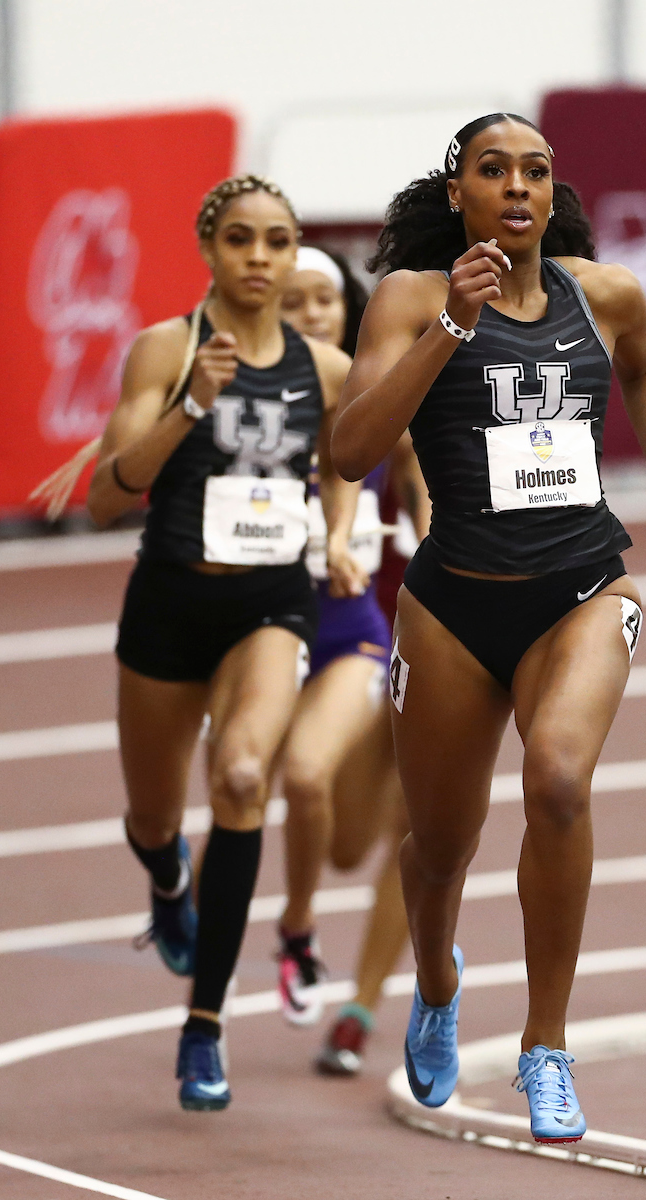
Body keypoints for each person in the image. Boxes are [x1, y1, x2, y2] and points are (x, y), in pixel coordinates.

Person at [331, 113, 646, 1142]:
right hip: (452, 607)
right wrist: (449, 328)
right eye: (491, 170)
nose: (514, 187)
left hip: (580, 588)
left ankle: (546, 1046)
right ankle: (438, 979)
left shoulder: (606, 293)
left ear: (551, 193)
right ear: (457, 192)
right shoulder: (411, 299)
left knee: (554, 780)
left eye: (533, 172)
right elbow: (348, 443)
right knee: (438, 849)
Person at [86, 174, 365, 1112]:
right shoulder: (166, 350)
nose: (259, 258)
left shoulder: (323, 369)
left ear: (294, 256)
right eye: (241, 239)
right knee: (157, 819)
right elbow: (106, 494)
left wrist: (334, 533)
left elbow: (345, 466)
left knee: (245, 778)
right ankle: (167, 876)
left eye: (278, 242)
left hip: (271, 607)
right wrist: (189, 407)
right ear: (208, 246)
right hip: (168, 606)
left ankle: (204, 1027)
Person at [275, 247, 428, 1075]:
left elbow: (424, 478)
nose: (311, 316)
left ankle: (364, 1007)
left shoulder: (397, 405)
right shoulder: (268, 402)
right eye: (294, 304)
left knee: (419, 832)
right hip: (316, 638)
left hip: (418, 641)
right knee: (340, 841)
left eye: (326, 302)